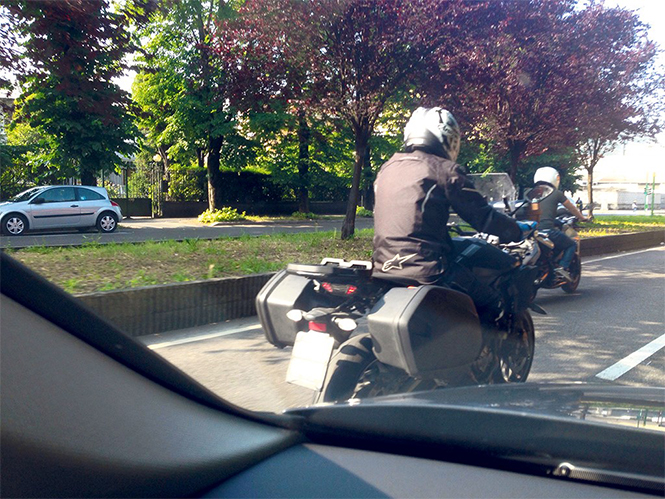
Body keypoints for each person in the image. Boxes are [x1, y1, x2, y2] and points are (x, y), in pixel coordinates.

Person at [372, 107, 524, 323]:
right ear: (447, 138)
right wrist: (516, 230)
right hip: (427, 269)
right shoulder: (443, 169)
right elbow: (483, 217)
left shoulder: (387, 168)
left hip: (384, 267)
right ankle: (476, 355)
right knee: (492, 303)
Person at [531, 166, 588, 282]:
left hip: (532, 231)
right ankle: (562, 268)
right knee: (571, 244)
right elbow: (571, 208)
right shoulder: (556, 194)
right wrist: (582, 217)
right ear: (555, 178)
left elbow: (536, 212)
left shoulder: (531, 193)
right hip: (548, 231)